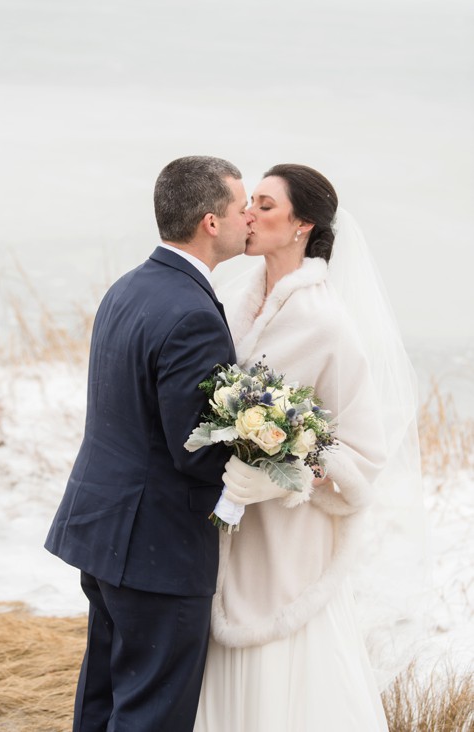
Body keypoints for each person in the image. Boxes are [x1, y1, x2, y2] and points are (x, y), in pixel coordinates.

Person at [194, 164, 410, 732]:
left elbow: (362, 455)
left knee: (285, 680)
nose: (249, 214)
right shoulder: (233, 302)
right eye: (250, 204)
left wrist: (282, 474)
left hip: (289, 544)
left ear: (301, 226)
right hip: (225, 535)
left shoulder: (328, 324)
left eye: (266, 205)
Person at [45, 156, 253, 731]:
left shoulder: (130, 286)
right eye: (241, 208)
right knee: (152, 714)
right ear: (211, 222)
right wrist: (259, 465)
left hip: (105, 530)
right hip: (156, 548)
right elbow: (195, 447)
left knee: (104, 700)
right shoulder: (192, 313)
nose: (249, 220)